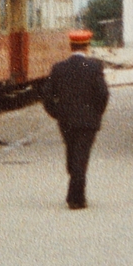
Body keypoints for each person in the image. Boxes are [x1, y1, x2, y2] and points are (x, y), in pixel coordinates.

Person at [41, 29, 109, 210]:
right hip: (88, 122)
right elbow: (103, 94)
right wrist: (97, 113)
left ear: (70, 46)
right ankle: (76, 198)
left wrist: (57, 113)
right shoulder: (95, 67)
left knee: (73, 155)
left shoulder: (59, 68)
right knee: (81, 157)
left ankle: (75, 195)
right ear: (87, 46)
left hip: (66, 121)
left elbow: (46, 96)